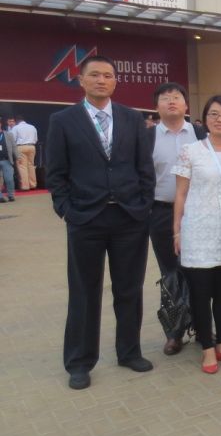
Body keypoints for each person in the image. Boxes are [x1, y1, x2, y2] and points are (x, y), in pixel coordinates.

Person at [45, 55, 155, 390]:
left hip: (129, 217)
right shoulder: (63, 121)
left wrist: (143, 204)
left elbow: (144, 167)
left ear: (115, 81)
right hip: (86, 219)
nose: (101, 80)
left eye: (108, 75)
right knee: (84, 292)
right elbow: (55, 173)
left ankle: (129, 351)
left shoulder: (132, 118)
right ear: (81, 80)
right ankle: (79, 362)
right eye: (94, 75)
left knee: (129, 289)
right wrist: (67, 209)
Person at [172, 95, 221, 374]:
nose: (219, 119)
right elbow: (180, 194)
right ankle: (207, 348)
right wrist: (176, 231)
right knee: (200, 294)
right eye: (214, 114)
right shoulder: (191, 151)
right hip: (197, 231)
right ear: (204, 119)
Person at [148, 82, 205, 355]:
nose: (171, 101)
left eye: (176, 97)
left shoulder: (200, 133)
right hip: (161, 212)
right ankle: (174, 331)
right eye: (164, 98)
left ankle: (203, 326)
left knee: (201, 271)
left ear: (186, 104)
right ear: (156, 106)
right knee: (170, 272)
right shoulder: (147, 137)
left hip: (199, 212)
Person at [12, 114, 38, 191]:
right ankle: (33, 184)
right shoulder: (32, 127)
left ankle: (25, 186)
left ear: (16, 121)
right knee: (31, 165)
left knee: (22, 166)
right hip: (32, 146)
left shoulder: (16, 128)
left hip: (21, 147)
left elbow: (13, 139)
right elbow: (36, 139)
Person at [0, 120, 19, 202]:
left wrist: (18, 157)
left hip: (6, 160)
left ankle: (11, 195)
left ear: (0, 124)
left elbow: (14, 146)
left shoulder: (8, 134)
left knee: (9, 179)